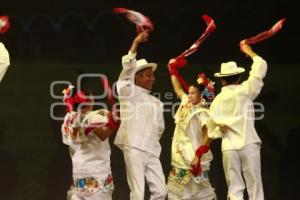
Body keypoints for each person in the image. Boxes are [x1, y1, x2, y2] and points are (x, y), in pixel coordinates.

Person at [206, 41, 267, 200]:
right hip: (247, 142)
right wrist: (250, 52)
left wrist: (219, 129)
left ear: (223, 80)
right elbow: (260, 67)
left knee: (234, 187)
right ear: (239, 78)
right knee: (254, 185)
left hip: (229, 147)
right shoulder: (244, 91)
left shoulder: (217, 100)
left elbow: (210, 126)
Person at [114, 31, 167, 200]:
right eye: (149, 75)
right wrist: (136, 43)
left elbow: (160, 129)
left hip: (151, 150)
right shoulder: (128, 93)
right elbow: (126, 73)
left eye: (153, 75)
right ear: (137, 78)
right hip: (134, 148)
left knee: (161, 191)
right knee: (137, 193)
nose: (153, 79)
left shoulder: (157, 103)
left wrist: (152, 144)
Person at [166, 57, 216, 200]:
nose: (189, 95)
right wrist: (172, 70)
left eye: (193, 93)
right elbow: (177, 88)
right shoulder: (185, 104)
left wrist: (198, 155)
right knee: (180, 194)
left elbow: (209, 136)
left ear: (202, 96)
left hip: (192, 157)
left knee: (198, 194)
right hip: (180, 157)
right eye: (190, 92)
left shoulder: (202, 112)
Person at [61, 85, 118, 200]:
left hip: (79, 171)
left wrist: (104, 113)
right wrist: (114, 124)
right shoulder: (93, 118)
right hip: (97, 170)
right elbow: (103, 135)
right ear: (90, 100)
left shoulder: (70, 119)